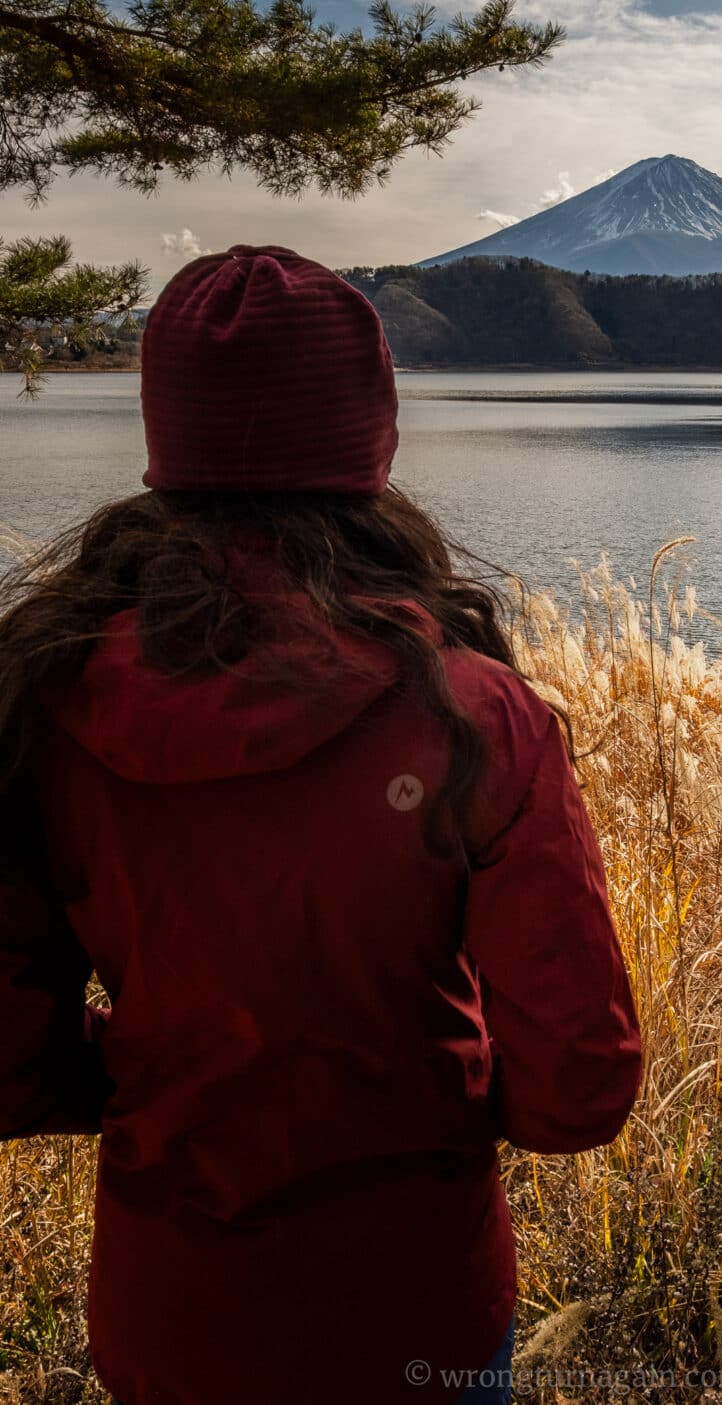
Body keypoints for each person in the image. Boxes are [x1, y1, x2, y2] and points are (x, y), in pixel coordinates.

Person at [0, 246, 643, 1405]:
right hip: (413, 1307)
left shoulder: (42, 703)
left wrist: (164, 1066)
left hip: (169, 1316)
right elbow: (576, 1090)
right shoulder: (474, 715)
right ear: (370, 441)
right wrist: (410, 1087)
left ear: (166, 443)